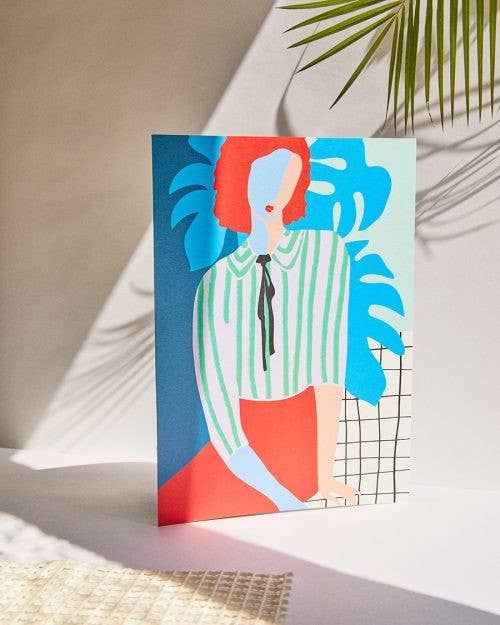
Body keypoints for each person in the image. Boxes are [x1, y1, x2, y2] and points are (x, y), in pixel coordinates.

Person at [191, 136, 359, 513]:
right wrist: (282, 498)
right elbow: (219, 412)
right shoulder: (217, 282)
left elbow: (329, 369)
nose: (277, 188)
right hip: (236, 462)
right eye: (266, 171)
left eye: (288, 175)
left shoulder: (324, 253)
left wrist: (324, 475)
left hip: (308, 445)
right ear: (240, 178)